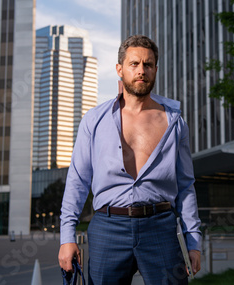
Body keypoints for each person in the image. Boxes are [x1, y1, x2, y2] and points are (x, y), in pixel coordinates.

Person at [58, 34, 202, 284]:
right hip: (108, 227)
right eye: (134, 64)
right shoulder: (94, 120)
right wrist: (67, 237)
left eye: (148, 64)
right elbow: (77, 181)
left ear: (155, 69)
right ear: (119, 69)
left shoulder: (175, 122)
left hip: (160, 227)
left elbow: (186, 186)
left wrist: (194, 241)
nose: (141, 71)